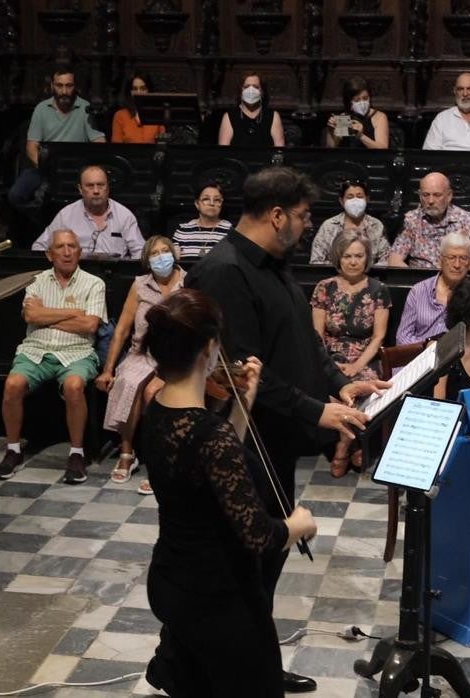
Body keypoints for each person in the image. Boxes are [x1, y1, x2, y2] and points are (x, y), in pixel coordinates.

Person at [185, 166, 387, 694]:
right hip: (244, 443)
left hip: (275, 442)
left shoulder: (274, 263)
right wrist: (317, 412)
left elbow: (301, 339)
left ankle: (256, 668)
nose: (305, 225)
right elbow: (245, 374)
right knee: (245, 565)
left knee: (265, 564)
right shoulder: (225, 272)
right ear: (276, 215)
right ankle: (235, 676)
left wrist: (342, 384)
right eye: (301, 216)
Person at [138, 289, 318, 697]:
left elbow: (209, 463)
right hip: (218, 598)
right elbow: (259, 537)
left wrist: (244, 403)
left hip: (172, 582)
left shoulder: (158, 409)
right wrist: (298, 523)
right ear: (208, 349)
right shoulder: (208, 432)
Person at [0, 230, 106, 484]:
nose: (67, 252)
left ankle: (77, 453)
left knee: (74, 385)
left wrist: (48, 315)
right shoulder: (36, 281)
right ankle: (12, 450)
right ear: (49, 254)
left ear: (80, 251)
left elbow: (89, 326)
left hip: (77, 352)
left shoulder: (94, 283)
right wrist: (72, 313)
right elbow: (32, 317)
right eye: (60, 247)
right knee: (13, 384)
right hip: (36, 350)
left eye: (72, 246)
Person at [96, 235, 185, 495]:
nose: (161, 257)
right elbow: (122, 328)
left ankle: (161, 462)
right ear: (147, 260)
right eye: (154, 253)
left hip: (175, 357)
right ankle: (127, 452)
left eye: (165, 251)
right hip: (141, 353)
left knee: (154, 394)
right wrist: (109, 368)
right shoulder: (139, 285)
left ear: (174, 253)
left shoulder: (188, 281)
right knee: (128, 382)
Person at [395, 233, 470, 345]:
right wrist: (427, 347)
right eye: (451, 257)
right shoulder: (418, 291)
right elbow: (402, 337)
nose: (457, 265)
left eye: (463, 258)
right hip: (423, 358)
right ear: (440, 260)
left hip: (466, 357)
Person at [8, 66, 106, 208]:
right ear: (52, 86)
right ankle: (41, 228)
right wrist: (45, 168)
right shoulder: (41, 108)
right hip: (45, 168)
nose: (64, 91)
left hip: (76, 169)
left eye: (69, 86)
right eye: (59, 86)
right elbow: (31, 146)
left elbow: (99, 142)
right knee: (15, 195)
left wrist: (89, 168)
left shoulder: (85, 107)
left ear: (75, 87)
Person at [311, 230, 391, 383]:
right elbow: (317, 335)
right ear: (338, 258)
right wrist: (330, 366)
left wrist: (356, 366)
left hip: (364, 360)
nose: (353, 262)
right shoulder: (324, 287)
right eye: (347, 256)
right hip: (328, 359)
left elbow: (378, 337)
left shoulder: (379, 290)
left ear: (367, 258)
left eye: (359, 256)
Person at [32, 165, 144, 258]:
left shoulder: (125, 215)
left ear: (108, 187)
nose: (96, 191)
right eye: (90, 186)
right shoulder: (66, 215)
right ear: (80, 189)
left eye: (100, 185)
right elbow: (39, 247)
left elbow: (140, 253)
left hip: (113, 275)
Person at [387, 172, 470, 269]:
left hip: (454, 281)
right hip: (419, 280)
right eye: (426, 195)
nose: (430, 201)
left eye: (437, 195)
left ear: (449, 196)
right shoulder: (411, 219)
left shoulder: (466, 221)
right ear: (420, 196)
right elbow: (394, 261)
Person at [308, 180, 389, 265]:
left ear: (367, 199)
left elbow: (386, 259)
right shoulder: (329, 226)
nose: (355, 201)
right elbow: (316, 261)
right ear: (341, 201)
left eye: (359, 196)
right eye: (350, 197)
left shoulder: (376, 225)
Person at [217, 73, 285, 147]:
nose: (251, 90)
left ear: (262, 91)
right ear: (241, 91)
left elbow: (279, 150)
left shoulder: (273, 116)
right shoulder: (229, 116)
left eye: (256, 87)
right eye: (246, 87)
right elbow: (223, 150)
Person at [324, 76, 389, 149]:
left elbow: (383, 149)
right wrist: (331, 131)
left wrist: (361, 136)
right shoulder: (344, 117)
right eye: (357, 100)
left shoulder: (379, 117)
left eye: (365, 98)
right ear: (349, 102)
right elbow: (332, 148)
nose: (362, 103)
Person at [172, 183, 232, 259]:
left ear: (221, 204)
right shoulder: (183, 230)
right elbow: (174, 264)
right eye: (206, 199)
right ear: (197, 204)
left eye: (217, 200)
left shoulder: (230, 231)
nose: (211, 203)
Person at [111, 72, 165, 144]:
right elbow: (115, 147)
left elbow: (162, 146)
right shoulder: (120, 116)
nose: (138, 92)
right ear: (129, 92)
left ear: (149, 90)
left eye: (143, 88)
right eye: (135, 89)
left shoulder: (158, 115)